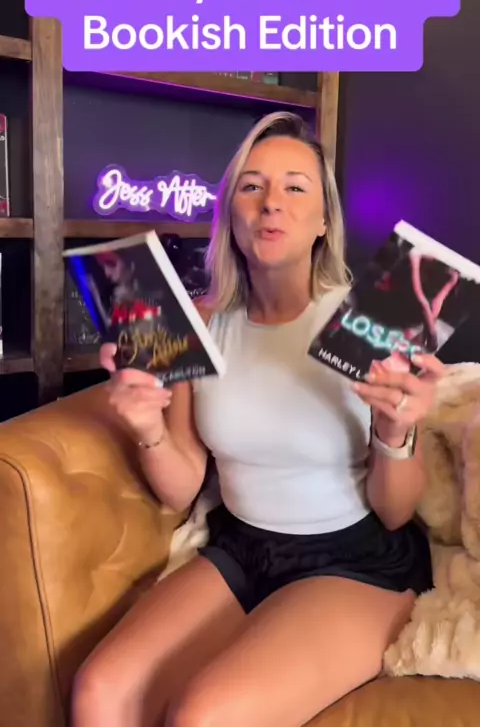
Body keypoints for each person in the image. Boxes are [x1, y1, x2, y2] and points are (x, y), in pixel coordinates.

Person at [71, 111, 441, 727]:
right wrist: (148, 429)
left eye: (295, 187)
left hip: (356, 561)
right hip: (243, 546)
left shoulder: (368, 322)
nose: (272, 202)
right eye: (252, 186)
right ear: (230, 216)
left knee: (202, 716)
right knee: (98, 691)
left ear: (324, 221)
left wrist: (395, 432)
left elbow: (397, 511)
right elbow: (182, 487)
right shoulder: (196, 322)